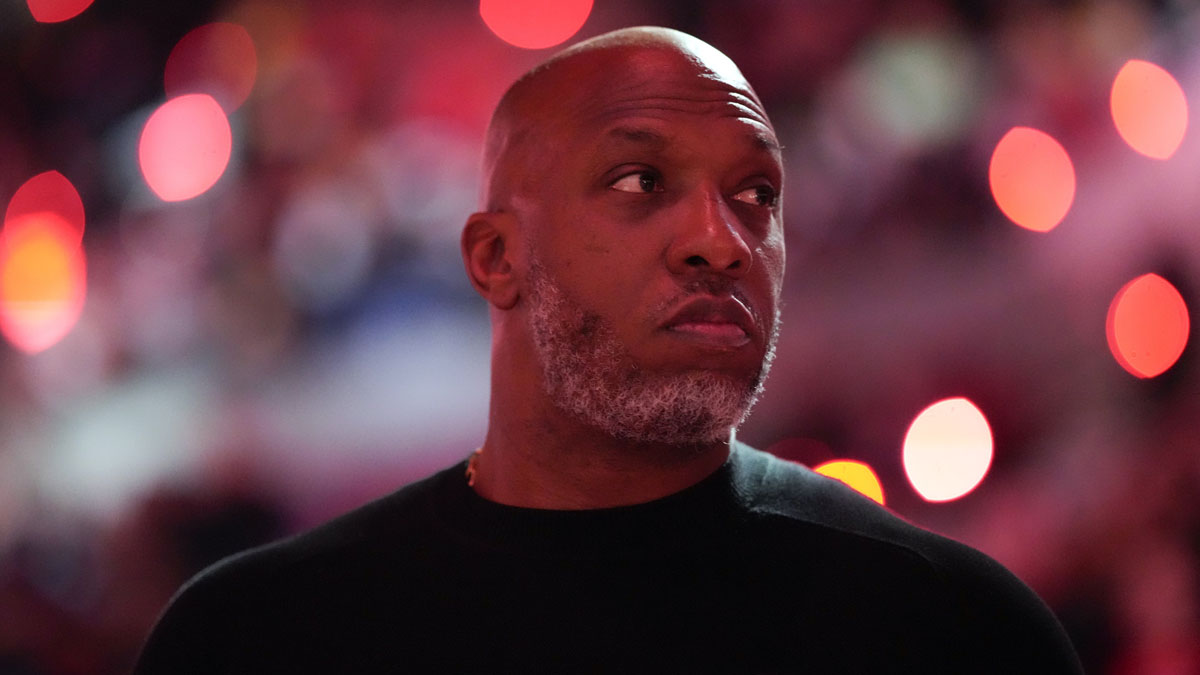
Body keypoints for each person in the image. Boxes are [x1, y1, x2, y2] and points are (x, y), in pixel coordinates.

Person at [133, 26, 1083, 674]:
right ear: (496, 257)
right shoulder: (260, 639)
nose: (721, 237)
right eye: (640, 178)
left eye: (756, 194)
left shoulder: (952, 631)